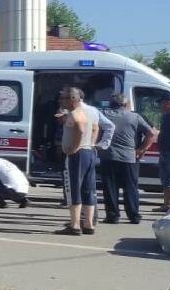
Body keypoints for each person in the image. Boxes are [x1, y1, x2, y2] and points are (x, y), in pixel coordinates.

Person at [99, 93, 155, 223]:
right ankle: (134, 216)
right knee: (130, 187)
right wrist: (141, 149)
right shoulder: (135, 116)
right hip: (129, 157)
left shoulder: (104, 115)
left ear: (111, 104)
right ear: (125, 104)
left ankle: (113, 216)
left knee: (110, 187)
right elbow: (151, 133)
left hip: (109, 156)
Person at [56, 87, 99, 235]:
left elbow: (80, 129)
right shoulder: (90, 112)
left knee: (73, 188)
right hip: (88, 152)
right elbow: (95, 128)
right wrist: (90, 144)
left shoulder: (75, 114)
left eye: (64, 98)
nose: (61, 101)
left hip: (78, 154)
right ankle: (88, 224)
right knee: (88, 189)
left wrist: (74, 147)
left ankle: (74, 225)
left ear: (73, 99)